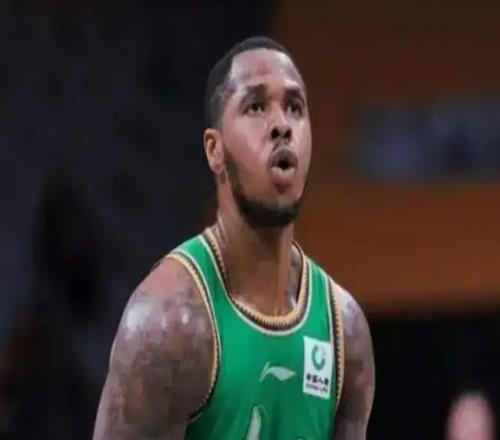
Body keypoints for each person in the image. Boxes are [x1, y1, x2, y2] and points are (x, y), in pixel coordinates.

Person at [93, 36, 375, 440]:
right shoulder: (168, 325)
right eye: (256, 106)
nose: (282, 125)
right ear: (214, 150)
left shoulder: (345, 332)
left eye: (295, 107)